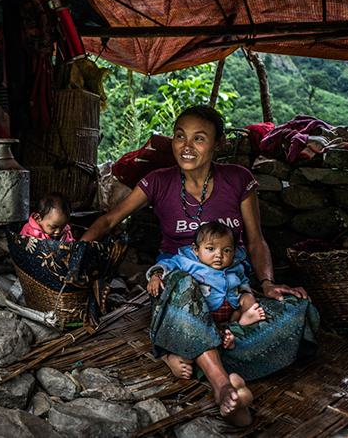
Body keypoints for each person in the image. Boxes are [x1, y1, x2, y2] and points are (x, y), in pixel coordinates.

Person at [81, 105, 319, 427]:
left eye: (199, 138)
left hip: (231, 294)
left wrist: (266, 284)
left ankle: (192, 348)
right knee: (183, 284)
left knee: (298, 308)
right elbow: (110, 219)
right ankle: (223, 386)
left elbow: (255, 239)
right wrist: (74, 253)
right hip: (180, 294)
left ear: (218, 143)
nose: (186, 146)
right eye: (180, 136)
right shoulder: (158, 182)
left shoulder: (238, 179)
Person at [146, 222, 265, 350]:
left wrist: (245, 292)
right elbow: (168, 263)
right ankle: (223, 337)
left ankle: (242, 320)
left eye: (226, 250)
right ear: (196, 249)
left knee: (248, 298)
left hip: (232, 310)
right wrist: (156, 275)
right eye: (211, 249)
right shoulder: (188, 262)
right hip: (206, 312)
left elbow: (243, 281)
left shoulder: (235, 266)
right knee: (198, 322)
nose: (219, 255)